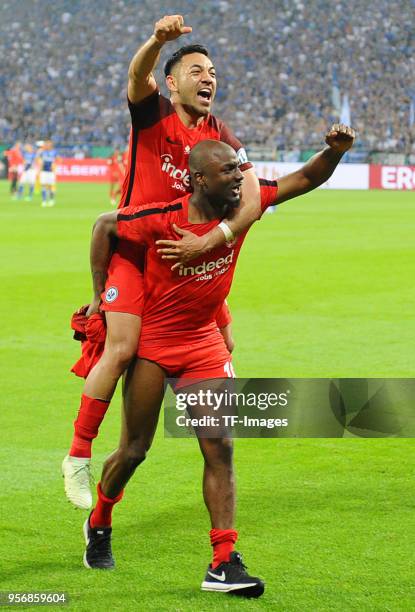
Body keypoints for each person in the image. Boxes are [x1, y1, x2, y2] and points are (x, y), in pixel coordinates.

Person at [80, 127, 355, 597]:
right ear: (199, 180)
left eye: (238, 167)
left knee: (219, 446)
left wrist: (333, 152)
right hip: (153, 346)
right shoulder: (162, 217)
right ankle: (101, 517)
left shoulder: (241, 206)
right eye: (228, 169)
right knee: (134, 451)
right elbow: (105, 226)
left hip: (203, 343)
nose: (240, 176)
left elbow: (306, 178)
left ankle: (223, 561)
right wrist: (100, 296)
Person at [62, 15, 261, 510]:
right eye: (196, 71)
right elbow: (135, 77)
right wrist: (156, 40)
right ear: (171, 83)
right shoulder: (153, 114)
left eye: (212, 71)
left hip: (187, 261)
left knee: (225, 339)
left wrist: (218, 235)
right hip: (136, 250)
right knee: (124, 346)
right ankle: (78, 456)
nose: (208, 78)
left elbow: (254, 192)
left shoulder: (219, 133)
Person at [38, 140, 58, 207]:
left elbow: (59, 160)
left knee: (50, 186)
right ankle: (44, 201)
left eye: (48, 144)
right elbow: (38, 160)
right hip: (44, 171)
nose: (47, 145)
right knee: (43, 186)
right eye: (46, 144)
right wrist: (39, 166)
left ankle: (51, 200)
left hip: (51, 172)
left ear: (51, 145)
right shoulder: (42, 152)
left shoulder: (54, 152)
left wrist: (55, 165)